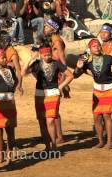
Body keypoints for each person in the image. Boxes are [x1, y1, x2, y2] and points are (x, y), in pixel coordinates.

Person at [73, 39, 112, 149]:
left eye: (98, 46)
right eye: (94, 46)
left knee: (107, 114)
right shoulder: (87, 61)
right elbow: (75, 75)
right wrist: (78, 67)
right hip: (97, 90)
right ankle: (101, 141)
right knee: (96, 116)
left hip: (110, 88)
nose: (96, 48)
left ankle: (109, 142)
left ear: (101, 47)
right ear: (90, 49)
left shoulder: (107, 58)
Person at [23, 45, 73, 150]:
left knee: (50, 120)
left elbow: (70, 75)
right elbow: (23, 73)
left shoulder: (56, 63)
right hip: (39, 94)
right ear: (41, 55)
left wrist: (60, 87)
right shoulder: (36, 64)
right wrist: (29, 60)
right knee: (42, 121)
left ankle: (53, 145)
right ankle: (47, 146)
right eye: (45, 55)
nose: (47, 57)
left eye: (49, 54)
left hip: (53, 93)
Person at [42, 15, 68, 143]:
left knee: (54, 109)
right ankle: (58, 136)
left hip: (57, 75)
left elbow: (62, 61)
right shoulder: (52, 39)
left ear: (53, 28)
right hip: (54, 74)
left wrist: (63, 82)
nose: (44, 27)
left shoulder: (57, 41)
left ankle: (60, 136)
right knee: (54, 109)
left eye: (47, 26)